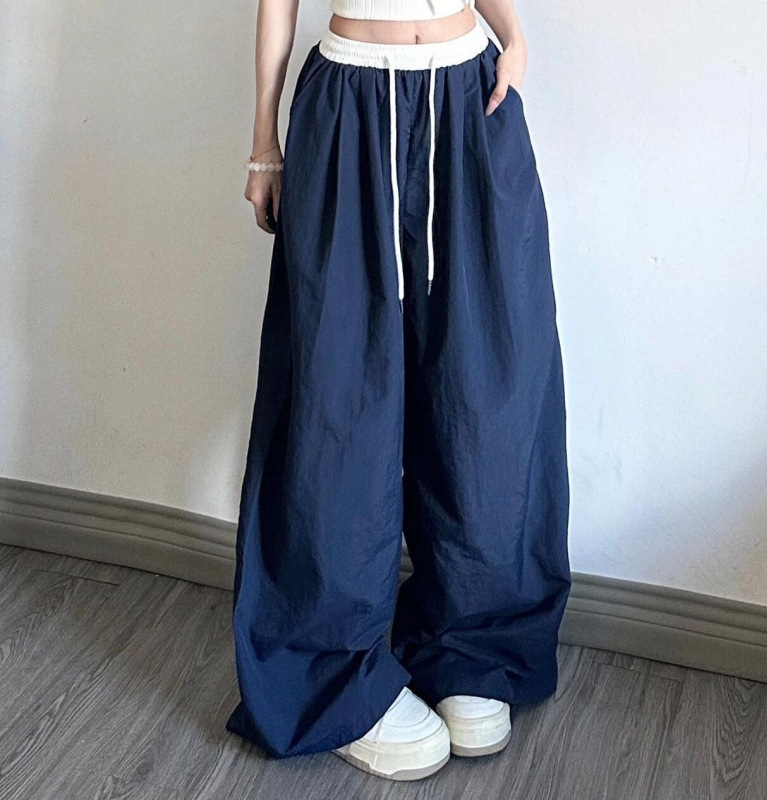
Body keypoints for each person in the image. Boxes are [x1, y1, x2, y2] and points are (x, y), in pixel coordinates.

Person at [226, 0, 572, 782]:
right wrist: (263, 144)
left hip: (469, 96)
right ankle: (330, 669)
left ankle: (472, 640)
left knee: (487, 385)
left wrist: (514, 38)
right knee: (337, 397)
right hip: (351, 103)